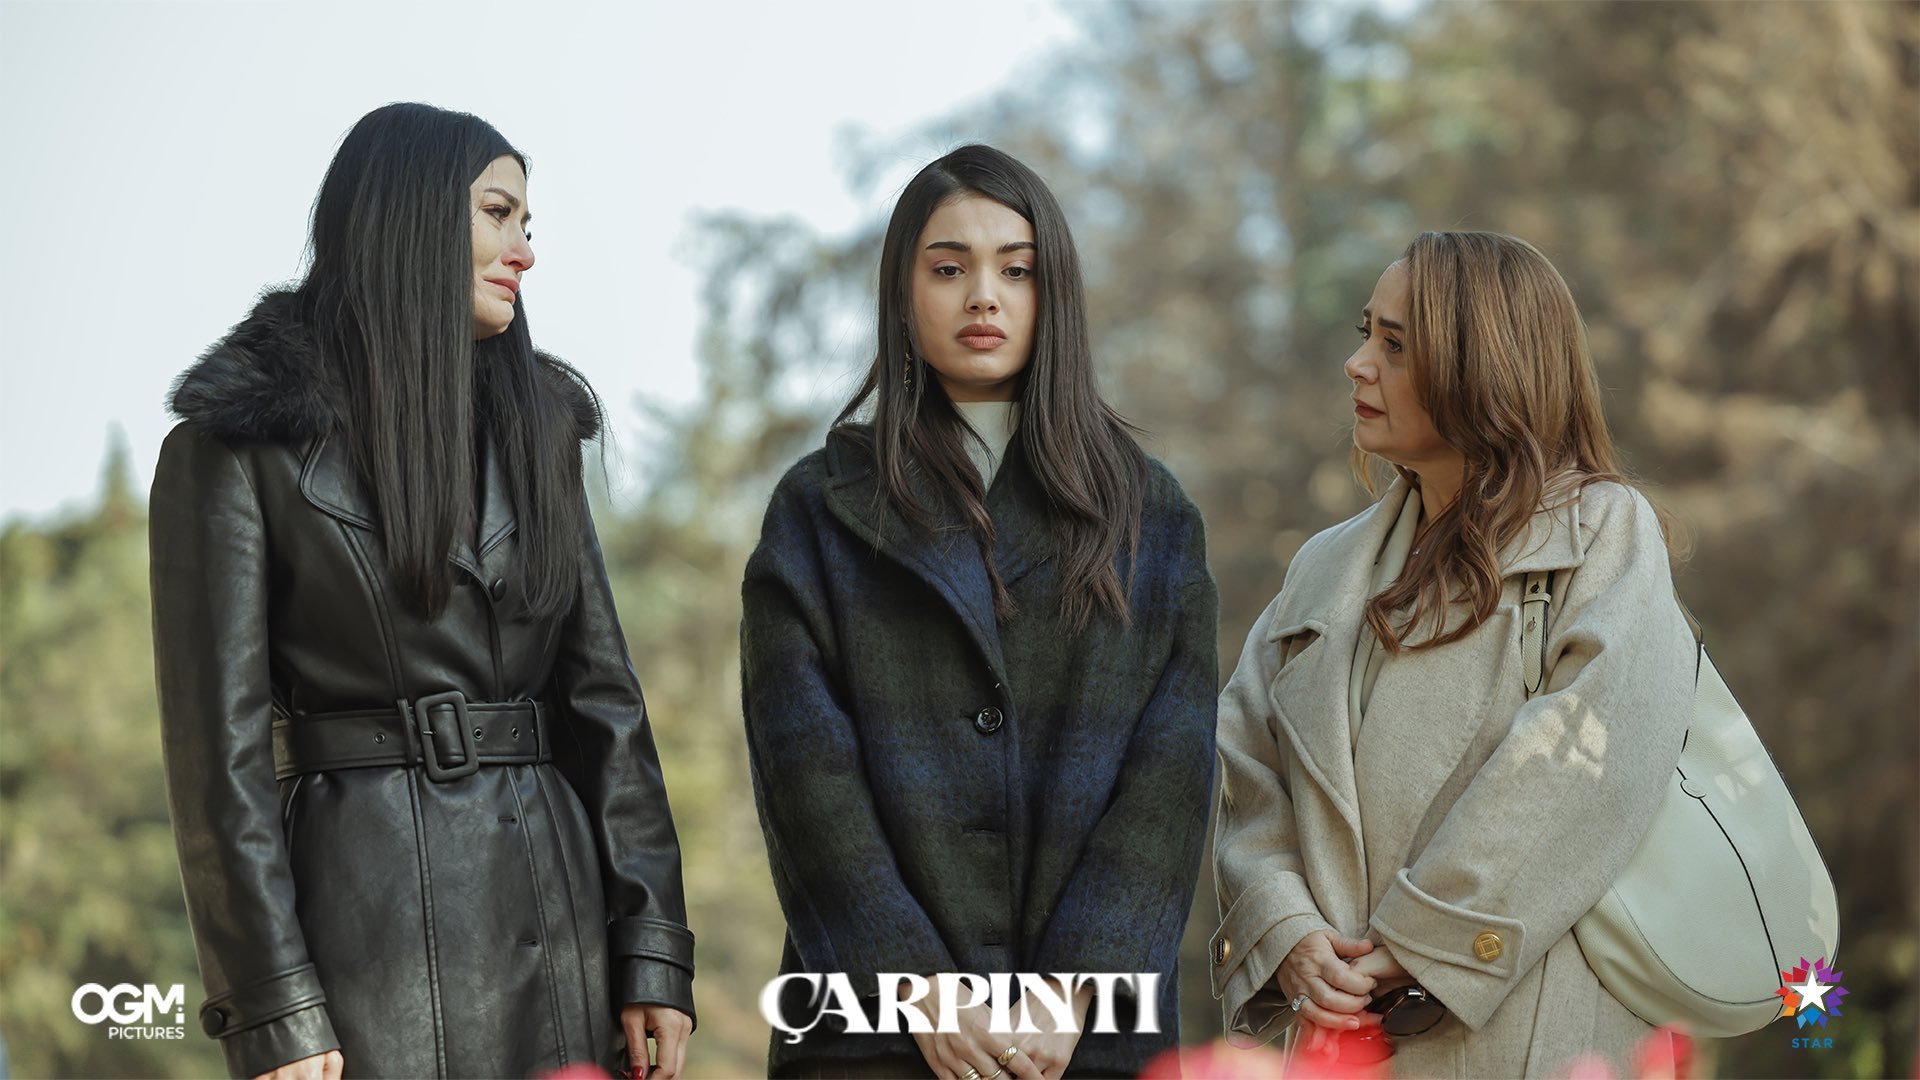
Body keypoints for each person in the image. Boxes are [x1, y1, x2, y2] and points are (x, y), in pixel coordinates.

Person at [150, 103, 695, 1080]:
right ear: (408, 215)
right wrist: (275, 1009)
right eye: (497, 214)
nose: (524, 251)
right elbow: (216, 767)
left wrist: (652, 948)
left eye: (527, 223)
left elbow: (606, 708)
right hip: (363, 943)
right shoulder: (234, 449)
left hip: (558, 933)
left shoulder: (539, 436)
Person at [740, 144, 1219, 1080]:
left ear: (1055, 293)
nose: (984, 298)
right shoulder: (816, 509)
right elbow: (803, 775)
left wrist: (1073, 988)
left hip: (1085, 1039)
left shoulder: (1151, 515)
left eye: (1017, 270)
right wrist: (916, 984)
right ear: (902, 292)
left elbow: (1171, 774)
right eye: (949, 269)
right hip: (873, 1034)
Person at [1209, 231, 1696, 1078]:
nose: (1358, 364)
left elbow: (1585, 764)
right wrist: (1285, 928)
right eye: (1366, 333)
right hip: (1340, 1038)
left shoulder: (1603, 535)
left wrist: (1426, 940)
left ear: (1485, 368)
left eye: (1396, 346)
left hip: (1524, 1034)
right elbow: (1248, 762)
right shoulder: (1324, 567)